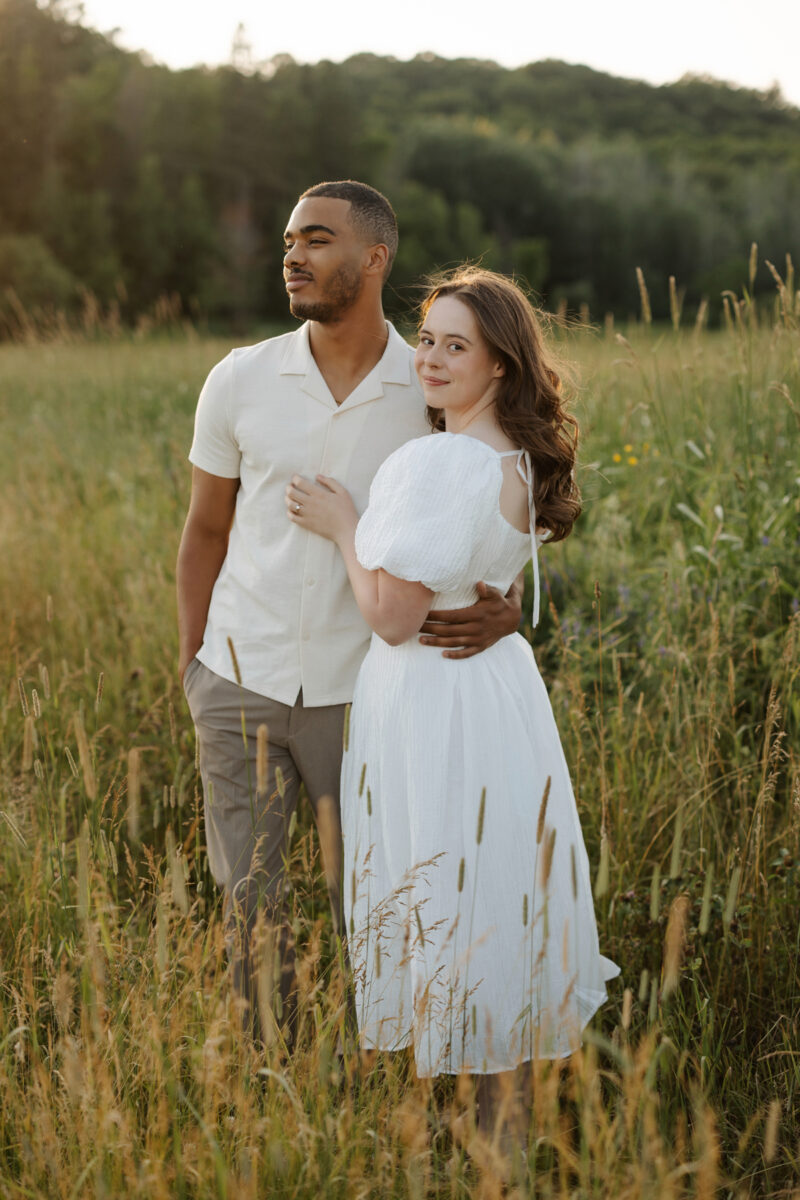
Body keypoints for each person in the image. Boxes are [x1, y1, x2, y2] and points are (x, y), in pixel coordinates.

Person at [176, 182, 523, 1046]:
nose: (292, 254)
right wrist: (194, 667)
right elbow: (204, 530)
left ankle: (379, 1081)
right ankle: (270, 1081)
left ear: (374, 259)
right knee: (248, 904)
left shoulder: (432, 384)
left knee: (374, 899)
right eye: (290, 239)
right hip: (237, 680)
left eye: (317, 239)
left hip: (364, 698)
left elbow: (487, 510)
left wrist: (509, 609)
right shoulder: (239, 378)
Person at [285, 266, 620, 1132]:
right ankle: (495, 1141)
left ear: (499, 365)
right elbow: (481, 579)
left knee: (445, 899)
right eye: (426, 339)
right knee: (489, 908)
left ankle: (483, 1146)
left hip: (432, 705)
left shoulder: (437, 462)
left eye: (455, 346)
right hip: (495, 703)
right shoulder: (512, 458)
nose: (429, 359)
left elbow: (394, 615)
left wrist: (345, 527)